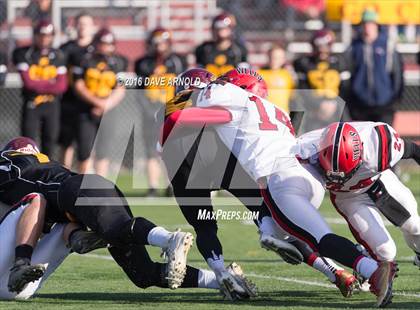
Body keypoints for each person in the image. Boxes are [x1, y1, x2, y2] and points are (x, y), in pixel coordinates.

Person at [177, 68, 398, 307]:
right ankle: (283, 238)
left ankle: (372, 271)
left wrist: (175, 113)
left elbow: (189, 115)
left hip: (278, 179)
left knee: (315, 238)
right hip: (305, 174)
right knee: (287, 230)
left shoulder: (223, 97)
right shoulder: (276, 111)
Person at [0, 136, 251, 296]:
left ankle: (167, 238)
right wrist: (76, 237)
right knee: (142, 274)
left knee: (118, 227)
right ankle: (221, 280)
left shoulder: (11, 167)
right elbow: (51, 220)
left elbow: (34, 202)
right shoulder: (42, 172)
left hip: (78, 191)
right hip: (90, 192)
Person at [296, 122, 420, 273]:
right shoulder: (303, 153)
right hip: (349, 197)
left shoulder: (378, 146)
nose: (336, 179)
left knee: (414, 225)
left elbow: (413, 149)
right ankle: (366, 258)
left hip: (378, 179)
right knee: (386, 252)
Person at [134, 28, 186, 197]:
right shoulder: (143, 63)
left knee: (172, 150)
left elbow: (183, 88)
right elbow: (138, 91)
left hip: (171, 111)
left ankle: (173, 185)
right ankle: (153, 186)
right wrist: (149, 110)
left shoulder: (178, 61)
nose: (159, 47)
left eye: (162, 43)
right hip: (150, 111)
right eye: (156, 43)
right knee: (151, 149)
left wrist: (177, 109)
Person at [73, 28, 127, 176]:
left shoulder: (118, 61)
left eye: (108, 44)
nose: (105, 47)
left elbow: (120, 88)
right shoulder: (84, 59)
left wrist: (105, 105)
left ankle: (100, 187)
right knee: (84, 150)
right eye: (103, 43)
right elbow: (78, 85)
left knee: (104, 151)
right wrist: (97, 103)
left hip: (108, 111)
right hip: (86, 109)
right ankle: (82, 187)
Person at [12, 19, 68, 157]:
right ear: (35, 35)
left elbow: (61, 86)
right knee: (28, 144)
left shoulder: (59, 55)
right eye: (41, 35)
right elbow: (29, 84)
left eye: (48, 35)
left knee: (50, 142)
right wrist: (49, 83)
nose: (44, 39)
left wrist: (38, 83)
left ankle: (46, 176)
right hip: (32, 103)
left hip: (52, 104)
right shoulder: (23, 54)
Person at [347, 9, 404, 125]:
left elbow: (397, 74)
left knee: (384, 140)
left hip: (384, 104)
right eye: (365, 24)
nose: (368, 27)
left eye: (371, 23)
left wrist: (394, 99)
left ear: (376, 25)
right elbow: (348, 74)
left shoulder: (387, 45)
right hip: (360, 106)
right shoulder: (354, 47)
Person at [293, 29, 350, 133]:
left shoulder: (340, 62)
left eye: (325, 47)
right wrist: (317, 105)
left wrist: (335, 103)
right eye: (318, 47)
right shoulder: (304, 63)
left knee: (345, 133)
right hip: (313, 109)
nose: (322, 51)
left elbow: (346, 88)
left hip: (337, 108)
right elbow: (303, 90)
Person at [59, 11, 95, 169]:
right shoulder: (66, 48)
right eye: (80, 24)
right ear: (75, 26)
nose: (82, 28)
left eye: (86, 24)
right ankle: (63, 177)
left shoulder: (97, 49)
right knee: (66, 143)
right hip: (68, 100)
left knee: (86, 146)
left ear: (92, 27)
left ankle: (84, 182)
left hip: (90, 103)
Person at [195, 12, 247, 76]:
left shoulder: (239, 50)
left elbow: (243, 75)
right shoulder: (203, 49)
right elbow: (199, 74)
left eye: (224, 28)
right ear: (213, 30)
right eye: (218, 29)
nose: (220, 31)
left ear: (231, 29)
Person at [259, 43, 296, 113]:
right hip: (265, 115)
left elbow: (293, 97)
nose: (274, 60)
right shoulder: (259, 74)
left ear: (283, 59)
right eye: (272, 57)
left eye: (278, 58)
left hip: (283, 115)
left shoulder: (287, 75)